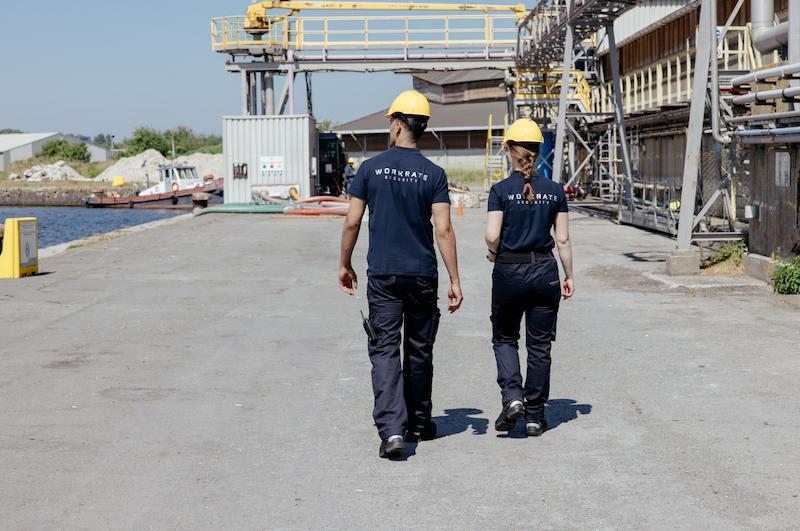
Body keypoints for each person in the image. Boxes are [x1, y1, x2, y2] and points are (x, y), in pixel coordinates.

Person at [339, 90, 463, 459]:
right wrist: (455, 280)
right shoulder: (434, 174)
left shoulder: (370, 169)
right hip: (422, 274)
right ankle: (420, 422)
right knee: (419, 349)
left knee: (385, 351)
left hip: (383, 275)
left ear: (396, 125)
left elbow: (352, 222)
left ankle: (393, 431)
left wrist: (345, 264)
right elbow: (443, 229)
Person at [485, 117, 574, 437]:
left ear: (510, 150)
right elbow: (562, 239)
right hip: (544, 272)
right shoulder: (555, 191)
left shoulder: (500, 190)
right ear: (538, 150)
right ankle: (535, 415)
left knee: (505, 338)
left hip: (509, 271)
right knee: (540, 346)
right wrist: (569, 275)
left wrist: (493, 253)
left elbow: (492, 235)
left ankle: (513, 397)